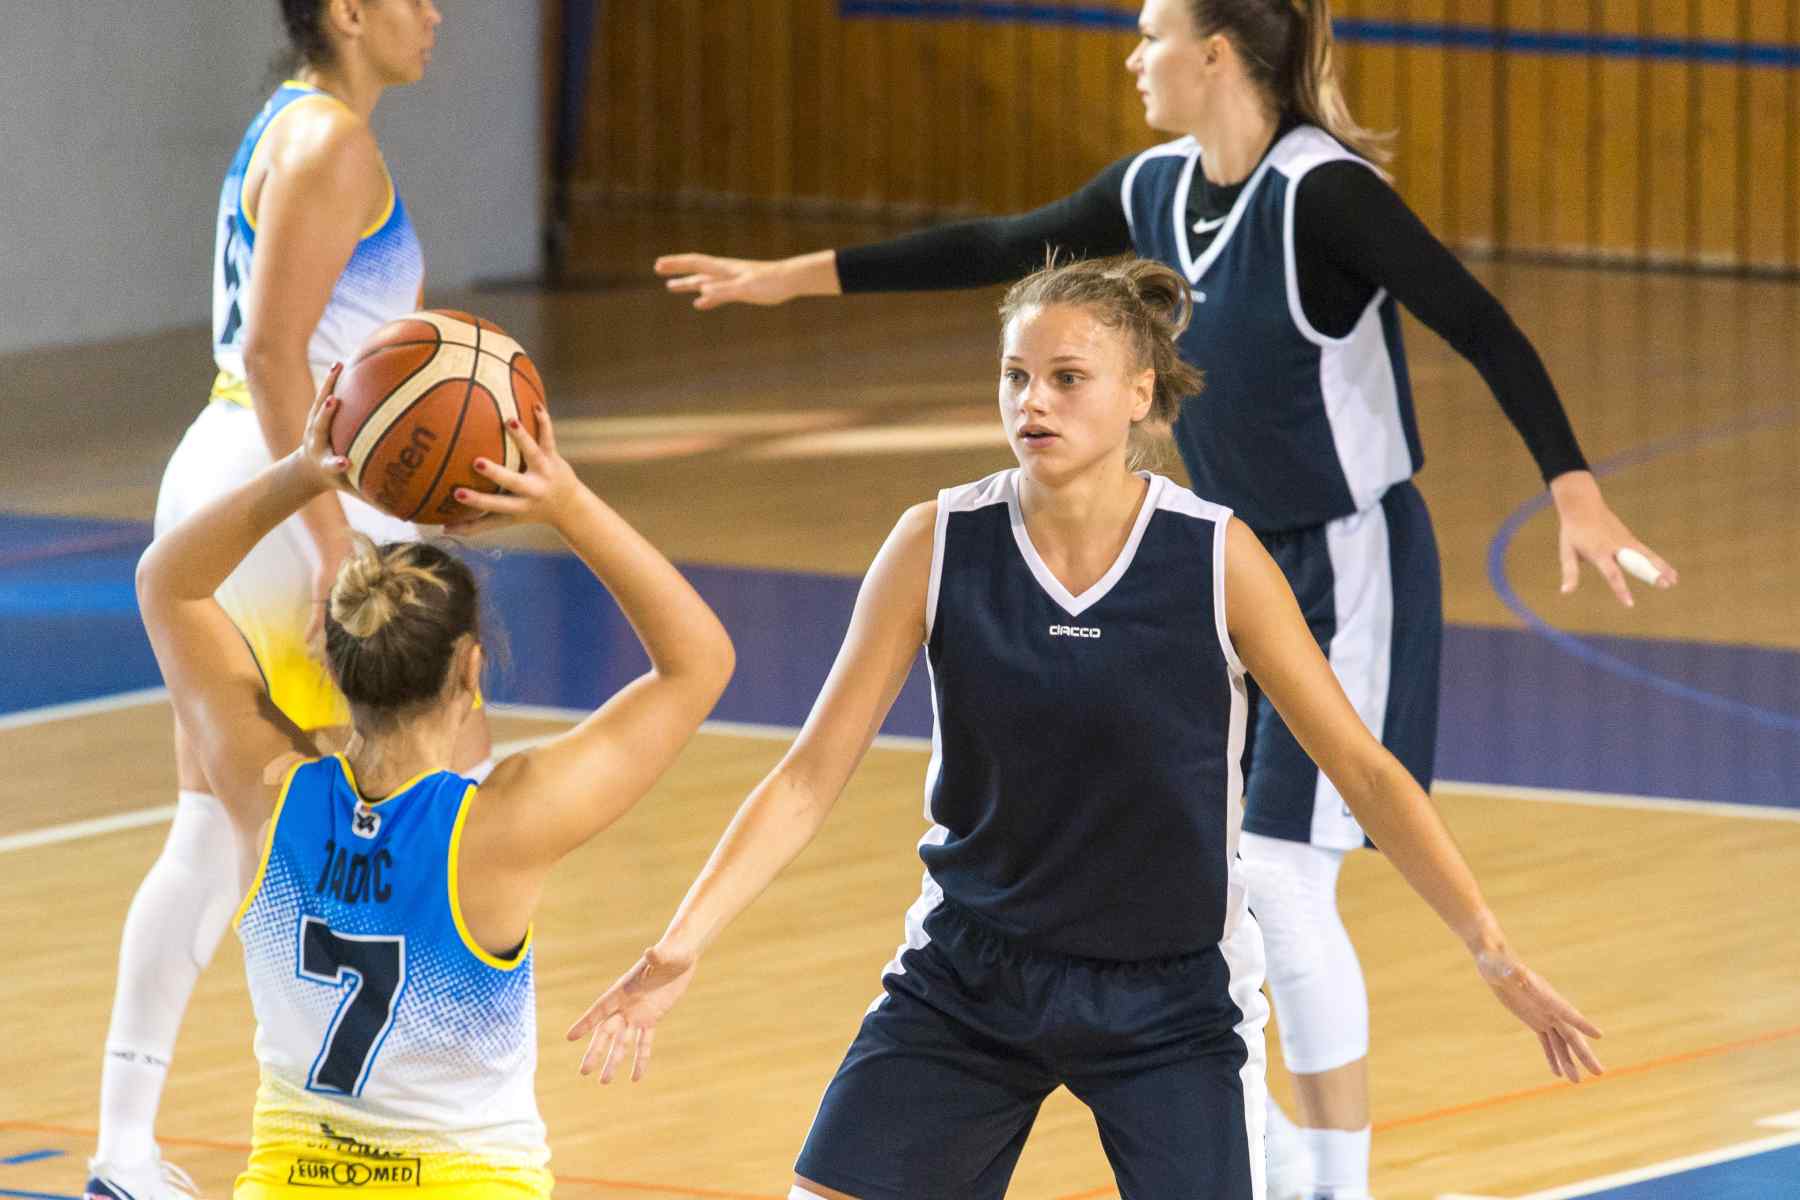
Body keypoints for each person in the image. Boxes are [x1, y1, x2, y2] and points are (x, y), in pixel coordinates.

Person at [647, 3, 1674, 1195]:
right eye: (1018, 378)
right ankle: (1259, 1140)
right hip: (1204, 571)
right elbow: (997, 244)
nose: (1134, 56)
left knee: (1278, 877)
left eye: (1151, 33)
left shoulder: (1324, 194)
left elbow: (1478, 323)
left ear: (1217, 52)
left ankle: (1328, 1180)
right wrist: (791, 279)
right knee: (1235, 882)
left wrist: (1572, 487)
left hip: (1347, 557)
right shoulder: (1154, 190)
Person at [568, 256, 1602, 1200]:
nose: (1033, 401)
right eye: (1016, 376)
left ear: (1140, 393)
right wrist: (679, 944)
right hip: (972, 971)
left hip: (1170, 995)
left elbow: (1363, 771)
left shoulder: (1216, 558)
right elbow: (807, 777)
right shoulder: (935, 542)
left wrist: (1492, 949)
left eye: (1068, 378)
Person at [126, 374, 733, 1198]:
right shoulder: (502, 825)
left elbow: (166, 583)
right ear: (472, 669)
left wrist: (302, 473)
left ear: (332, 663)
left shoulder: (266, 791)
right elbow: (699, 662)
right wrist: (565, 503)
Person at [87, 4, 475, 1196]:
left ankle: (124, 1148)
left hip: (242, 478)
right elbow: (272, 355)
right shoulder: (332, 143)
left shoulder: (294, 123)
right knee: (425, 805)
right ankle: (406, 1131)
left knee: (214, 826)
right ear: (348, 11)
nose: (435, 13)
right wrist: (331, 542)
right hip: (289, 487)